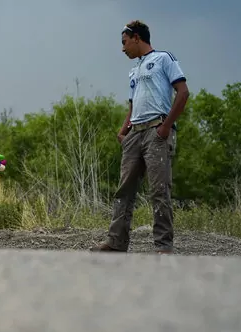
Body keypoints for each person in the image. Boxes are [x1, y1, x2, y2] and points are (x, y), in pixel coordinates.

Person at [95, 20, 189, 254]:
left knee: (159, 189)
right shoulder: (134, 70)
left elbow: (183, 92)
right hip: (134, 133)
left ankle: (163, 245)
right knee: (124, 190)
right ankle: (116, 242)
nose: (122, 48)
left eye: (124, 42)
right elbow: (133, 104)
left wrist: (166, 127)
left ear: (136, 38)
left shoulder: (163, 59)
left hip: (156, 130)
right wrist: (123, 131)